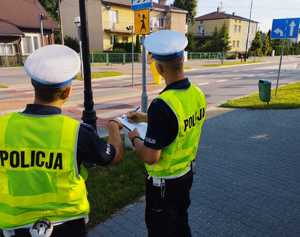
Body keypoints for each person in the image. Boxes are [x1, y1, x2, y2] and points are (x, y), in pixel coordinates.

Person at [0, 45, 124, 237]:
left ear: (33, 84)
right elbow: (112, 157)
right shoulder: (77, 133)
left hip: (14, 229)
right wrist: (114, 128)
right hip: (67, 228)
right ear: (66, 92)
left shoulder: (3, 126)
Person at [127, 30, 207, 237]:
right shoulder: (197, 94)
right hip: (186, 176)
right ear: (182, 60)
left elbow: (151, 157)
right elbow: (177, 123)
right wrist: (145, 118)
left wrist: (135, 138)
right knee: (180, 224)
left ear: (160, 68)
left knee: (161, 230)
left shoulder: (162, 105)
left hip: (164, 184)